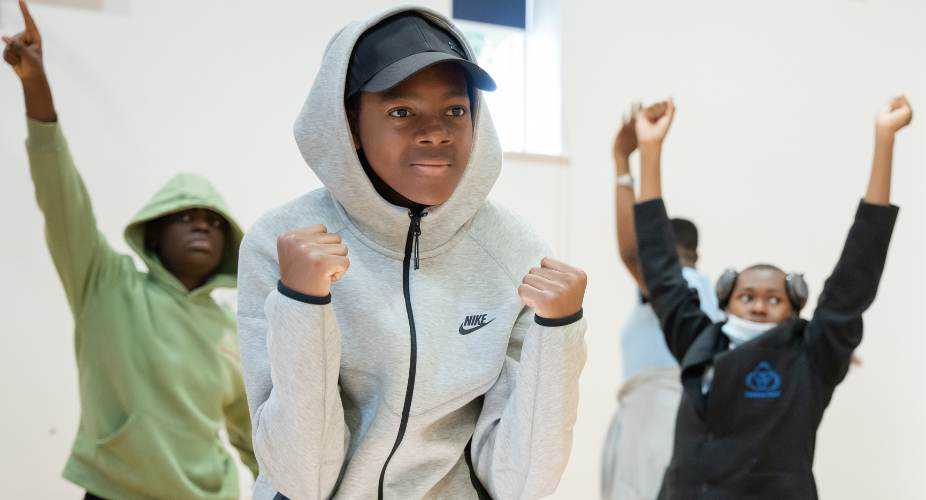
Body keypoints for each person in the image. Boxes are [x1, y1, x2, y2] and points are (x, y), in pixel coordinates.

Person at [236, 7, 588, 499]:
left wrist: (560, 334)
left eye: (455, 111)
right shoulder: (281, 244)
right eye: (401, 112)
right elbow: (302, 479)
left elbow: (521, 483)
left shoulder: (515, 253)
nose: (436, 132)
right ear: (351, 127)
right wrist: (303, 305)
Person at [6, 1, 256, 497]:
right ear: (154, 235)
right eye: (185, 217)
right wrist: (36, 85)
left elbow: (256, 440)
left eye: (212, 221)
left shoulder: (233, 330)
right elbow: (60, 195)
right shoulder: (105, 282)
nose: (201, 227)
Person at [631, 96, 910, 498]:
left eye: (774, 299)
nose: (759, 305)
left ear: (794, 306)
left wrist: (884, 140)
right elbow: (661, 268)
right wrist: (649, 152)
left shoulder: (811, 356)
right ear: (726, 299)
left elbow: (856, 275)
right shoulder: (699, 342)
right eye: (747, 296)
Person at [602, 102, 724, 500]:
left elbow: (632, 252)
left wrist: (623, 161)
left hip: (659, 413)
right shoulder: (711, 297)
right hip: (665, 413)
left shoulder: (680, 284)